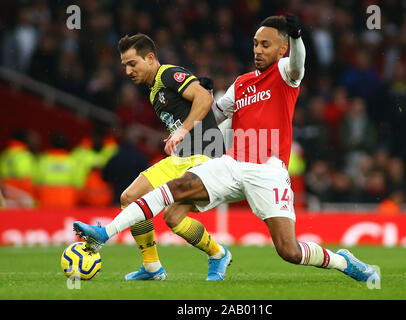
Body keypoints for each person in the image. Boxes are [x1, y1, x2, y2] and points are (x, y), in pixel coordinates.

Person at [74, 15, 379, 283]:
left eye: (266, 45)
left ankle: (343, 261)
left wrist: (298, 37)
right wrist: (201, 99)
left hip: (267, 169)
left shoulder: (285, 74)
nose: (258, 50)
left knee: (289, 250)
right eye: (256, 44)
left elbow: (299, 64)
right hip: (231, 163)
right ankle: (106, 233)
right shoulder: (242, 83)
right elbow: (215, 116)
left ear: (281, 49)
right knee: (173, 194)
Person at [100, 33, 226, 281]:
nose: (127, 71)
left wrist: (182, 130)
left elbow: (204, 98)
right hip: (182, 158)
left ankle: (218, 254)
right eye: (124, 65)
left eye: (132, 63)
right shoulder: (152, 91)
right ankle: (152, 267)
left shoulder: (168, 74)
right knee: (130, 197)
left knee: (172, 217)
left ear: (149, 58)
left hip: (205, 156)